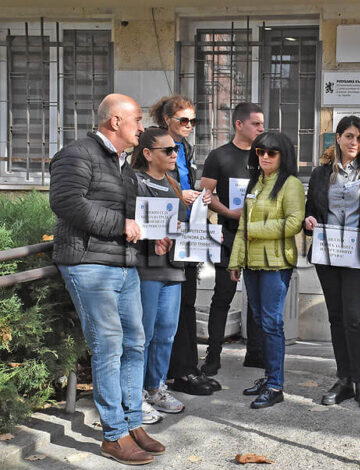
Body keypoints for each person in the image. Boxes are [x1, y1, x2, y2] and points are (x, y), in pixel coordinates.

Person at [50, 94, 164, 465]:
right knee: (109, 346)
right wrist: (121, 225)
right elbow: (67, 202)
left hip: (123, 264)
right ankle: (114, 435)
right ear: (115, 121)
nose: (142, 128)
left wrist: (150, 234)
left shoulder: (123, 164)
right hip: (88, 264)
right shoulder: (76, 154)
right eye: (137, 119)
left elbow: (130, 215)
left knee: (135, 344)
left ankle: (132, 423)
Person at [304, 115, 360, 410]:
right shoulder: (320, 174)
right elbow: (311, 210)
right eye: (348, 136)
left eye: (359, 138)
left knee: (355, 318)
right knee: (337, 317)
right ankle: (343, 379)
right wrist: (309, 221)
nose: (354, 142)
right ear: (338, 138)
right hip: (328, 253)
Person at [132, 127, 211, 424]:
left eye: (175, 150)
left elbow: (179, 222)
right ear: (147, 153)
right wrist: (151, 235)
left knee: (166, 332)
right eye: (168, 150)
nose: (174, 154)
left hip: (173, 267)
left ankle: (156, 387)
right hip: (146, 268)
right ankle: (136, 394)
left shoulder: (173, 182)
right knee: (144, 334)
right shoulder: (134, 181)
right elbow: (129, 222)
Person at [227, 131, 304, 409]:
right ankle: (270, 376)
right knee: (261, 321)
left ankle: (275, 385)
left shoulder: (291, 184)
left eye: (272, 152)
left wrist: (256, 230)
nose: (265, 157)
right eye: (260, 152)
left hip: (276, 264)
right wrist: (235, 261)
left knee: (271, 323)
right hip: (252, 264)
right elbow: (242, 228)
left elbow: (294, 222)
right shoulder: (256, 182)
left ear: (283, 155)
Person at [150, 95, 219, 396]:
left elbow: (185, 184)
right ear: (167, 120)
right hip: (165, 235)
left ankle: (188, 368)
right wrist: (182, 196)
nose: (189, 125)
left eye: (193, 120)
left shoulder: (186, 148)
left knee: (187, 302)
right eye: (184, 120)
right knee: (172, 309)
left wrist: (199, 197)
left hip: (188, 232)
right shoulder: (155, 144)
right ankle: (177, 372)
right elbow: (152, 184)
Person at [200, 103, 267, 376]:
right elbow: (205, 195)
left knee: (258, 298)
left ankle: (256, 353)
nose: (261, 128)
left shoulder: (265, 156)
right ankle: (213, 355)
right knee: (223, 296)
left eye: (262, 124)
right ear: (239, 124)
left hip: (259, 236)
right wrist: (228, 212)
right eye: (256, 124)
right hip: (229, 235)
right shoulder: (219, 156)